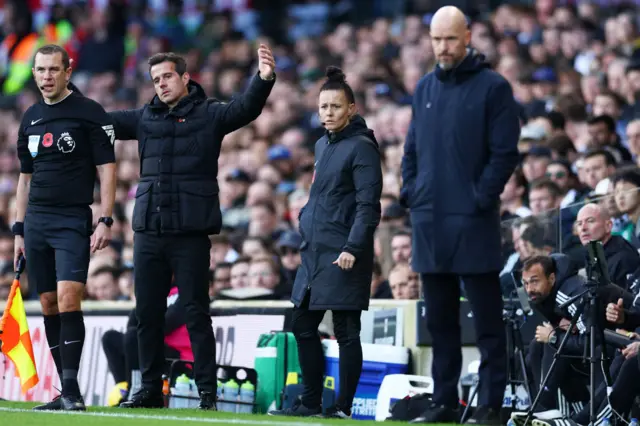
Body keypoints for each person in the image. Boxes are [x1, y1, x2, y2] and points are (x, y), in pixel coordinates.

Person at [108, 45, 276, 410]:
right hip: (149, 231)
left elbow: (245, 108)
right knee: (147, 314)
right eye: (155, 79)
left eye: (167, 76)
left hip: (191, 233)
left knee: (197, 312)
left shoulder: (210, 114)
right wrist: (68, 100)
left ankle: (206, 393)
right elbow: (102, 121)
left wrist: (263, 79)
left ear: (185, 78)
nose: (161, 84)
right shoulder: (143, 118)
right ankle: (149, 389)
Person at [400, 6, 521, 424]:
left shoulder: (493, 88)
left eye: (450, 38)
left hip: (473, 221)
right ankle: (445, 401)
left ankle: (490, 404)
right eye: (436, 39)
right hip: (429, 222)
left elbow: (505, 153)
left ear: (467, 36)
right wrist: (411, 191)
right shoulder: (424, 88)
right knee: (440, 322)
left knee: (487, 322)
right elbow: (411, 147)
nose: (443, 47)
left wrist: (479, 198)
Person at [268, 66, 383, 419]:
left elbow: (368, 205)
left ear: (352, 108)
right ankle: (311, 401)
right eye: (323, 108)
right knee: (302, 323)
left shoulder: (362, 148)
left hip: (344, 253)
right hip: (314, 254)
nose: (328, 113)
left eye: (335, 107)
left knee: (347, 331)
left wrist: (353, 247)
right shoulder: (321, 144)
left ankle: (343, 408)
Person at [13, 44, 116, 411]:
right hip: (37, 221)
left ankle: (72, 391)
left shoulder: (89, 112)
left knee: (70, 298)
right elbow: (25, 178)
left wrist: (105, 217)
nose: (46, 77)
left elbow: (107, 168)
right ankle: (65, 392)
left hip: (73, 218)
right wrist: (19, 229)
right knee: (48, 303)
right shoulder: (30, 117)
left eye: (53, 70)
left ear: (68, 72)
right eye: (40, 70)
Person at [511, 255, 634, 426]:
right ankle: (547, 409)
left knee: (552, 343)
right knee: (537, 345)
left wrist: (554, 337)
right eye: (525, 283)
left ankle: (548, 408)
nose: (529, 289)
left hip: (615, 346)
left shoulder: (570, 293)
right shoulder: (543, 294)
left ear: (552, 278)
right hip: (596, 345)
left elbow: (592, 341)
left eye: (534, 281)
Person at [102, 285, 192, 405]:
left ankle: (135, 390)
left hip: (178, 357)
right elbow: (133, 320)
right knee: (110, 338)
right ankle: (124, 387)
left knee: (135, 336)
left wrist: (149, 309)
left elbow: (166, 323)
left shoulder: (185, 293)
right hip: (157, 348)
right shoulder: (158, 292)